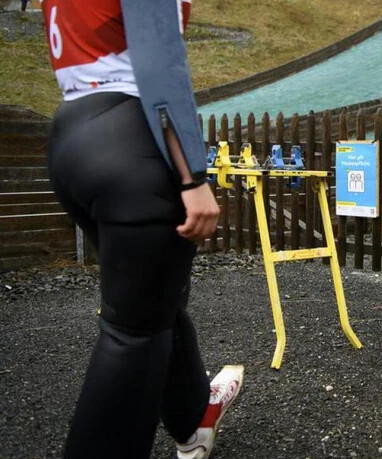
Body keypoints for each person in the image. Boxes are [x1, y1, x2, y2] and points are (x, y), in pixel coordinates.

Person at [41, 0, 244, 457]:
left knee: (154, 300)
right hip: (131, 140)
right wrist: (193, 177)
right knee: (133, 336)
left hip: (72, 134)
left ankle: (195, 416)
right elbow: (160, 64)